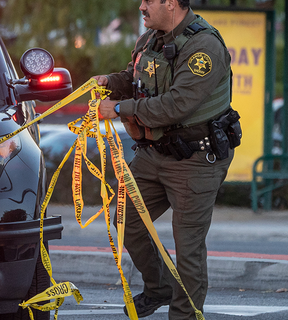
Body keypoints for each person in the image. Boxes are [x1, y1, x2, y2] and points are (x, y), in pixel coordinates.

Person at [93, 0, 241, 319]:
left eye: (148, 1)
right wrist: (109, 82)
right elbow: (136, 79)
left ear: (171, 3)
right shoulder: (151, 38)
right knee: (125, 220)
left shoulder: (205, 46)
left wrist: (120, 109)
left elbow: (176, 105)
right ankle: (159, 286)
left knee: (187, 248)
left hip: (197, 158)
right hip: (154, 152)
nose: (142, 6)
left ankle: (185, 315)